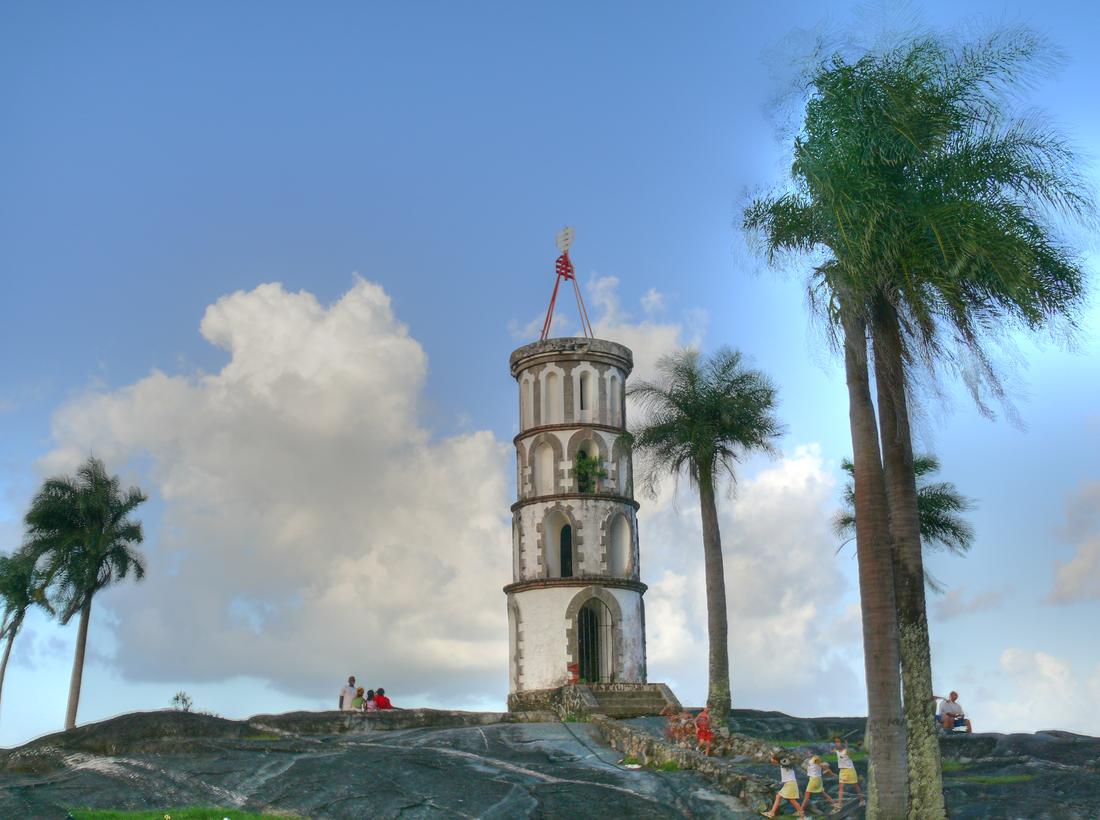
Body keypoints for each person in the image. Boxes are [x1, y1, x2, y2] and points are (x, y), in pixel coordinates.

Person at [833, 738, 865, 809]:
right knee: (841, 786)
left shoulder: (846, 751)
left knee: (855, 785)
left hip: (850, 770)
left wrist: (847, 746)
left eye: (838, 742)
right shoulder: (837, 750)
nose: (837, 743)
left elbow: (850, 753)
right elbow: (832, 750)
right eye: (836, 742)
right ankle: (839, 803)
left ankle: (862, 800)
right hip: (842, 770)